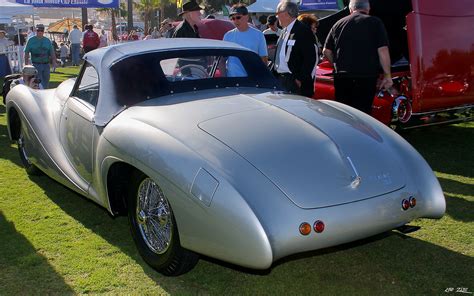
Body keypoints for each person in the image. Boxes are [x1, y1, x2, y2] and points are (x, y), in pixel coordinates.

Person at [323, 0, 392, 114]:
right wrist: (387, 75)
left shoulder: (338, 24)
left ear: (350, 10)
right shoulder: (375, 22)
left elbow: (327, 51)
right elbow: (383, 50)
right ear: (368, 9)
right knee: (363, 114)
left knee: (344, 113)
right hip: (366, 77)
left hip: (342, 77)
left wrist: (336, 64)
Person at [273, 1, 316, 97]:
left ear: (285, 13)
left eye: (277, 14)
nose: (276, 17)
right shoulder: (284, 31)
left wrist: (300, 79)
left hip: (294, 80)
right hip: (281, 79)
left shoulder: (303, 30)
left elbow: (310, 58)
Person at [223, 4, 268, 77]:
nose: (235, 20)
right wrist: (224, 77)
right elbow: (222, 60)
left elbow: (264, 59)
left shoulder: (259, 34)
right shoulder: (228, 35)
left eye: (238, 17)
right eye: (233, 18)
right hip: (233, 79)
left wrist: (262, 77)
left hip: (253, 79)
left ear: (247, 17)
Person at [24, 24, 57, 88]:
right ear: (36, 31)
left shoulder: (47, 40)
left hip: (46, 64)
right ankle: (40, 93)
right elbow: (26, 52)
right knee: (39, 81)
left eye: (41, 30)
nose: (40, 32)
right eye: (38, 30)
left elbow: (52, 52)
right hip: (36, 64)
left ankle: (44, 92)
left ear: (43, 31)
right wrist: (26, 64)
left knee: (46, 80)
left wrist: (54, 61)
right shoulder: (31, 40)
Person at [297, 14, 320, 79]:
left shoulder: (312, 40)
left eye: (315, 28)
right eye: (313, 28)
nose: (315, 31)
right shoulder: (307, 44)